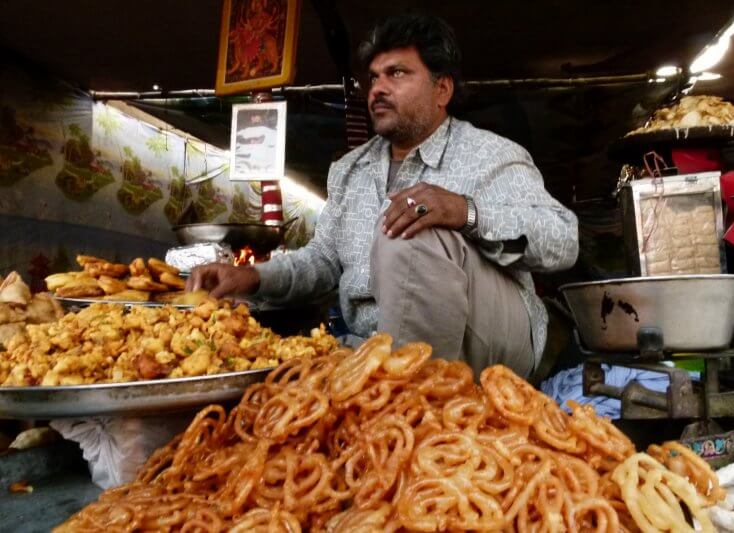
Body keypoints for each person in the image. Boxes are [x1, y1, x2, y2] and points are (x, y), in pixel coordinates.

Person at [188, 14, 579, 379]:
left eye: (397, 73)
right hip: (372, 347)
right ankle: (389, 387)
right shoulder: (349, 170)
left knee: (412, 224)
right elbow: (323, 260)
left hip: (490, 343)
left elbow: (563, 241)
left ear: (442, 89)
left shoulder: (490, 155)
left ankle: (412, 403)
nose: (377, 89)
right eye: (374, 77)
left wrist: (464, 212)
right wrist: (252, 276)